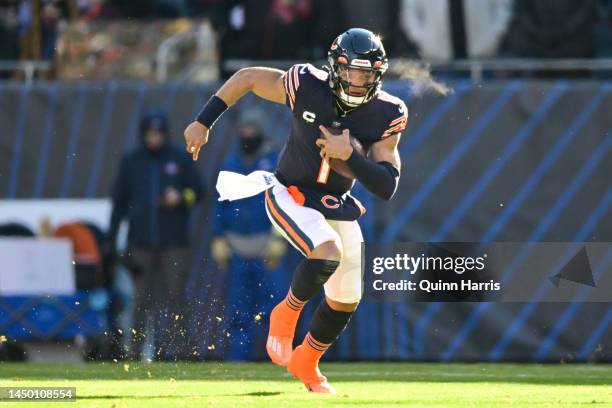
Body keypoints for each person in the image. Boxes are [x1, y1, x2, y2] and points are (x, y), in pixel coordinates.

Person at [184, 28, 407, 393]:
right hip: (290, 191)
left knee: (347, 298)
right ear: (335, 68)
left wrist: (349, 155)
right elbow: (248, 77)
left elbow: (386, 185)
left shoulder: (388, 111)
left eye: (366, 75)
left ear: (377, 76)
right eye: (350, 72)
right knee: (327, 252)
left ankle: (307, 361)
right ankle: (285, 314)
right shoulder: (306, 83)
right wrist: (203, 120)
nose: (356, 82)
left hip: (335, 203)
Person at [108, 108, 205, 361]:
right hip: (140, 242)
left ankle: (182, 353)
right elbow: (119, 203)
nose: (154, 138)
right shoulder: (131, 161)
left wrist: (181, 198)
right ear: (143, 134)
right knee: (140, 300)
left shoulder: (178, 158)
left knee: (175, 298)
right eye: (150, 133)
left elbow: (199, 192)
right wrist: (111, 238)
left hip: (174, 242)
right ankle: (136, 353)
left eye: (158, 133)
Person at [211, 108, 287, 360]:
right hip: (236, 246)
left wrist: (280, 237)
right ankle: (238, 359)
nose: (248, 134)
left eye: (252, 129)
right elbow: (220, 202)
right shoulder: (230, 163)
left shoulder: (275, 161)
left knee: (274, 307)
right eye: (244, 129)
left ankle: (274, 358)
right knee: (238, 308)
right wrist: (218, 236)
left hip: (267, 245)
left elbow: (286, 201)